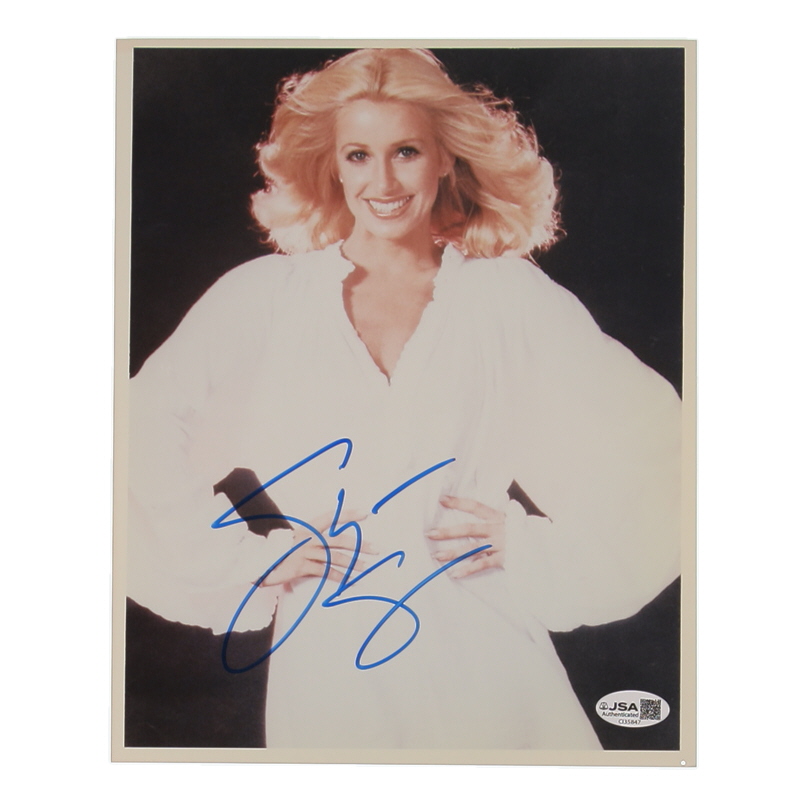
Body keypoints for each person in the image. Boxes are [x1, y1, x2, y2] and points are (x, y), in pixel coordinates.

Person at [127, 48, 681, 750]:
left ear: (446, 157)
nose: (383, 181)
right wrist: (250, 561)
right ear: (332, 164)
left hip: (490, 656)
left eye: (407, 152)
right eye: (358, 155)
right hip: (330, 661)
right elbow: (133, 433)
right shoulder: (263, 300)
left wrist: (531, 545)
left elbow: (662, 446)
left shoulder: (506, 296)